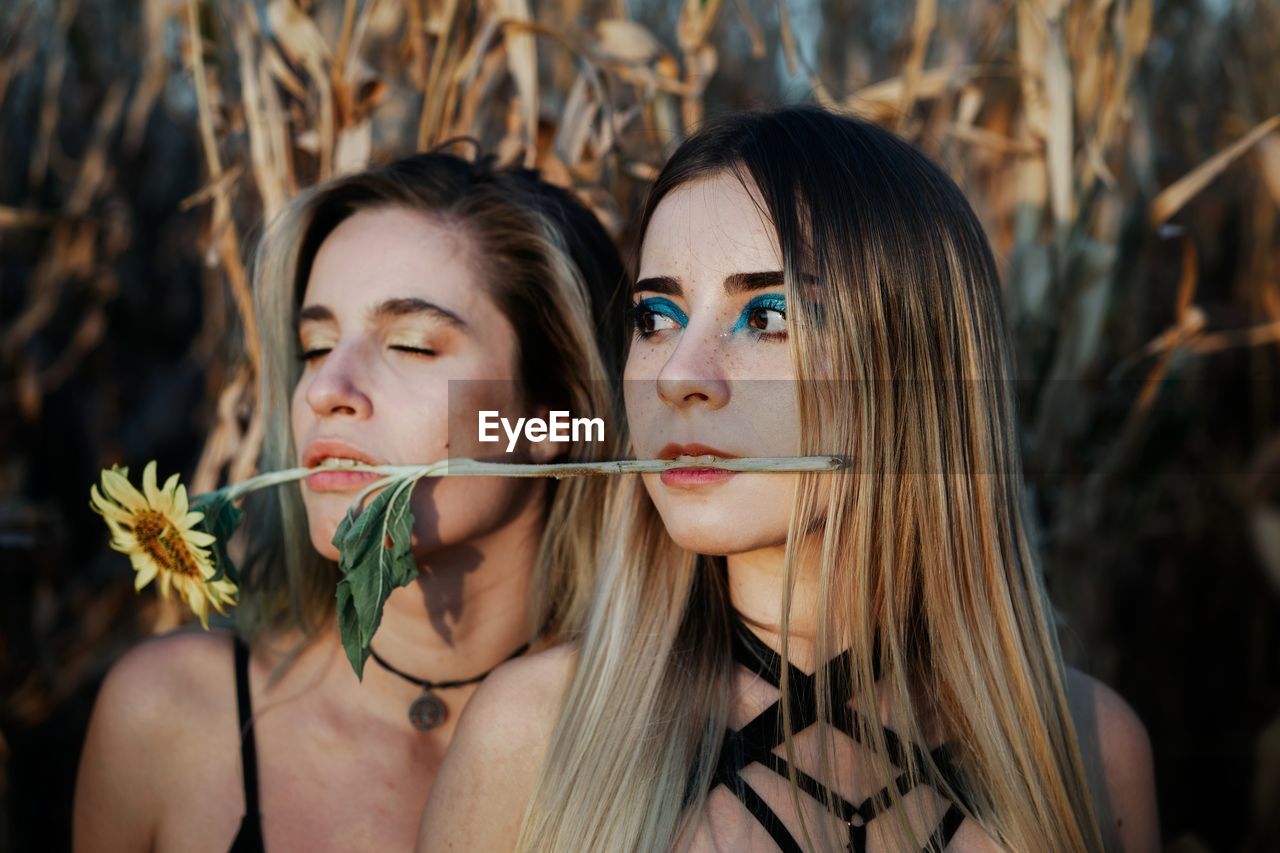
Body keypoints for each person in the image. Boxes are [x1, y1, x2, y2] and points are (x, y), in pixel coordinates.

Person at [421, 106, 1160, 851]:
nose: (678, 374)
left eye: (768, 314)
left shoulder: (1091, 751)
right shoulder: (534, 736)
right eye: (656, 316)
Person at [73, 150, 623, 852]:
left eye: (412, 345)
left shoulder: (653, 751)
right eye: (314, 345)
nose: (327, 388)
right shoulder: (169, 718)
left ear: (547, 424)